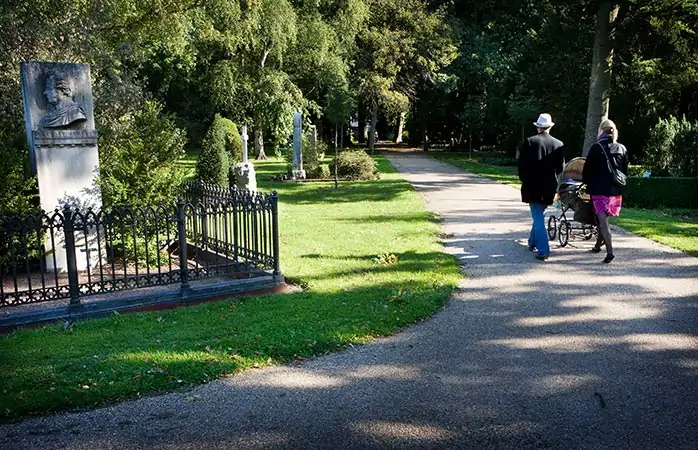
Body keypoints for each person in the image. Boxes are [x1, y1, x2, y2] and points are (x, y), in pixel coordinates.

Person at [517, 113, 565, 261]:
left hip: (532, 185)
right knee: (539, 214)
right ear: (550, 127)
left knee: (538, 217)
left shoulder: (529, 142)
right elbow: (560, 168)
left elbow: (521, 165)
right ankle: (532, 242)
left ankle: (543, 250)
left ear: (538, 127)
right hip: (549, 185)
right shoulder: (558, 144)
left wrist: (524, 179)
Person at [582, 119, 629, 263]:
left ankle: (610, 252)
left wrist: (586, 183)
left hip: (599, 190)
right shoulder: (621, 148)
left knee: (602, 221)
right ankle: (597, 246)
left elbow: (587, 169)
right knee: (604, 220)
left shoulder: (597, 147)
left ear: (601, 131)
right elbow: (624, 169)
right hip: (615, 190)